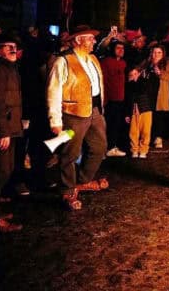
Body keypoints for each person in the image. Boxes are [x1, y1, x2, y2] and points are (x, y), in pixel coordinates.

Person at [46, 25, 109, 211]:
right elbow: (53, 92)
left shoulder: (93, 59)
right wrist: (55, 121)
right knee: (70, 154)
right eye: (90, 38)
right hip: (73, 114)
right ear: (78, 40)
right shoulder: (63, 62)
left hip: (95, 111)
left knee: (99, 147)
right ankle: (67, 191)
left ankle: (80, 182)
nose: (94, 41)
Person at [0, 35, 24, 232]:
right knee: (1, 170)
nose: (13, 50)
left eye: (14, 47)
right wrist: (2, 131)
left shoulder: (10, 68)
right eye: (8, 47)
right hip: (4, 129)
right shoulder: (0, 69)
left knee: (7, 168)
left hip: (11, 126)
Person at [100, 42, 128, 157]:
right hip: (109, 99)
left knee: (116, 125)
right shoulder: (106, 62)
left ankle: (112, 146)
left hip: (120, 99)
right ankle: (105, 148)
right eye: (118, 48)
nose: (121, 50)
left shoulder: (123, 63)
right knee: (108, 125)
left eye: (123, 48)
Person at [150, 44, 169, 148]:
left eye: (159, 52)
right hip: (149, 92)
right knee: (149, 114)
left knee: (159, 115)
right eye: (155, 52)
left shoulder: (167, 63)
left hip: (161, 92)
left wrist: (160, 73)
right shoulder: (148, 62)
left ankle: (158, 138)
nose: (156, 54)